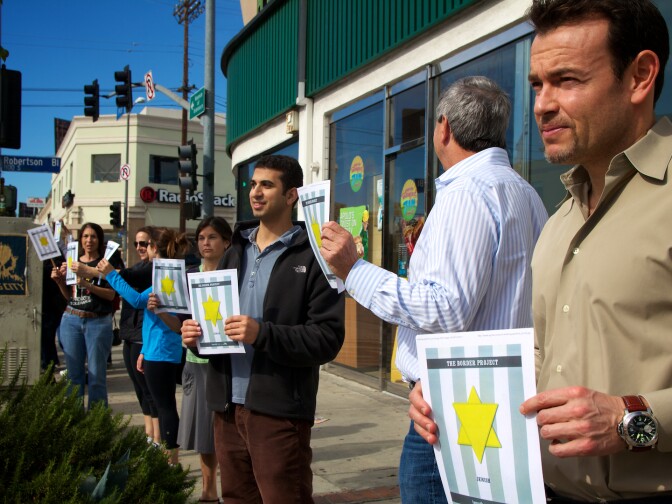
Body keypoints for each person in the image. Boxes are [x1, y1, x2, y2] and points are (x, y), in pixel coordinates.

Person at [410, 0, 672, 502]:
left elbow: (625, 419)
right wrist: (449, 390)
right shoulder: (558, 222)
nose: (542, 104)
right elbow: (539, 357)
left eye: (567, 80)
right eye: (537, 84)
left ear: (640, 76)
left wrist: (630, 421)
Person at [320, 76, 548, 503]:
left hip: (451, 411)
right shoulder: (526, 193)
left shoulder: (467, 193)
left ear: (443, 127)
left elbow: (445, 310)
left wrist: (355, 270)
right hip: (497, 400)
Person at [181, 155, 345, 503]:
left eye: (266, 185)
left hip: (279, 411)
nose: (255, 192)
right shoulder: (234, 250)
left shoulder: (314, 256)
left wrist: (262, 334)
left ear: (291, 196)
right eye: (253, 184)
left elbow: (327, 338)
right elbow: (219, 329)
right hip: (226, 408)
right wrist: (198, 339)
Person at [97, 227, 190, 465]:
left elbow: (138, 300)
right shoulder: (170, 275)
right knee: (164, 404)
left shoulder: (166, 276)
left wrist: (111, 275)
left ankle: (171, 461)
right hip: (159, 350)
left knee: (165, 407)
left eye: (146, 245)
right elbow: (152, 318)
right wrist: (145, 351)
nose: (143, 249)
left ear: (153, 248)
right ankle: (168, 456)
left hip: (162, 352)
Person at [177, 216, 232, 503]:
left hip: (229, 363)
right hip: (196, 364)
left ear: (226, 242)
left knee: (228, 432)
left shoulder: (235, 274)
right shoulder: (187, 276)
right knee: (204, 434)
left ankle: (233, 489)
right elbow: (179, 325)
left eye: (212, 237)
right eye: (201, 238)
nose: (206, 243)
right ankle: (209, 491)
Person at [50, 222, 124, 408]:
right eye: (85, 236)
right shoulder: (72, 260)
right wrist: (60, 282)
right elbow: (71, 297)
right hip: (71, 320)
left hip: (98, 323)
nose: (89, 240)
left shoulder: (106, 263)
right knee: (73, 376)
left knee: (97, 376)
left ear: (99, 240)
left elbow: (111, 294)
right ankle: (75, 424)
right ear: (80, 239)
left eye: (93, 236)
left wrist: (88, 284)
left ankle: (96, 425)